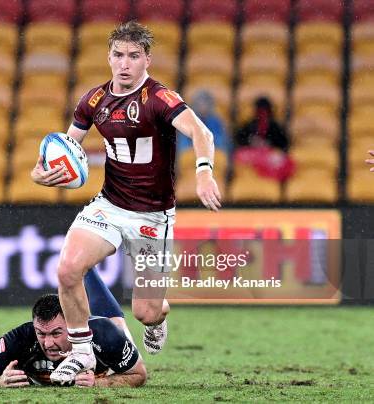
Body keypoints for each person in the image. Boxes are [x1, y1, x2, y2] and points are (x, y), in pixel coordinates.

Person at [31, 21, 221, 384]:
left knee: (146, 312)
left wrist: (203, 171)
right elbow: (64, 151)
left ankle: (159, 317)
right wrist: (41, 174)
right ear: (108, 57)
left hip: (153, 215)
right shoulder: (94, 101)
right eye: (118, 55)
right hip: (110, 205)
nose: (125, 64)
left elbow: (201, 131)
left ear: (147, 59)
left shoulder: (159, 99)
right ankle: (82, 353)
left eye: (134, 56)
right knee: (68, 269)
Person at [0, 270, 146, 388]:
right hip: (27, 363)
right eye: (41, 333)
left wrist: (101, 384)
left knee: (115, 325)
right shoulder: (24, 336)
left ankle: (84, 265)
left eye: (56, 333)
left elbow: (139, 375)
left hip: (101, 340)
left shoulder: (102, 334)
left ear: (71, 326)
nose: (48, 343)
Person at [234, 96, 294, 181]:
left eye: (264, 111)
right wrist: (252, 141)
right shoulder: (249, 125)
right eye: (260, 111)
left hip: (269, 156)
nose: (262, 114)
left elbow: (284, 144)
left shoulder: (275, 127)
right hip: (252, 155)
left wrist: (268, 144)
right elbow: (239, 140)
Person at [177, 89, 229, 154]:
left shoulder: (216, 121)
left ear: (210, 105)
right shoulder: (188, 119)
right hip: (192, 153)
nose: (202, 106)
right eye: (200, 103)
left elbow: (221, 143)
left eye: (205, 103)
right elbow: (183, 144)